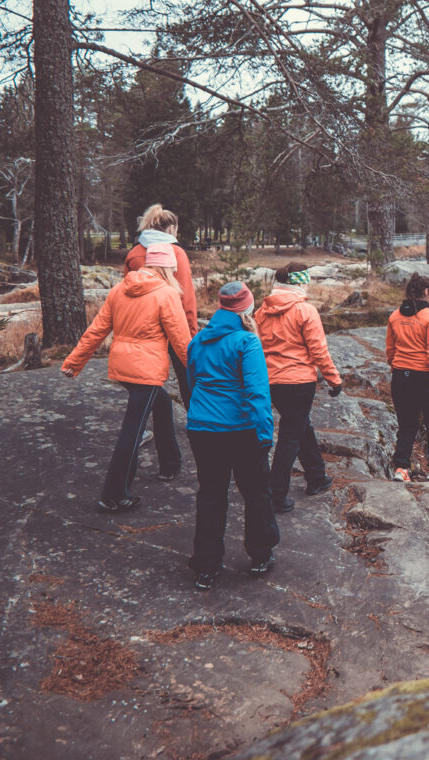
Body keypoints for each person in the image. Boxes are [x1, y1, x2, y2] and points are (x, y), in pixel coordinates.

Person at [62, 243, 192, 512]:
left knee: (163, 403)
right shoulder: (166, 294)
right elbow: (182, 343)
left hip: (123, 368)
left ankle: (170, 463)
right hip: (145, 372)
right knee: (132, 432)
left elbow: (96, 330)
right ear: (168, 267)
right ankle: (114, 494)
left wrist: (74, 362)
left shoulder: (119, 289)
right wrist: (203, 372)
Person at [184, 282, 279, 590]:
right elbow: (257, 393)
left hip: (203, 429)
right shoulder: (247, 342)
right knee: (256, 492)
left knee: (211, 495)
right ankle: (260, 553)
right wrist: (265, 433)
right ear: (247, 310)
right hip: (240, 430)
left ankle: (206, 565)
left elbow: (191, 382)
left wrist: (201, 414)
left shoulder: (197, 341)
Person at [256, 263, 343, 512]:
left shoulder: (262, 311)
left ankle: (317, 477)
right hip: (299, 382)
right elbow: (318, 351)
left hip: (272, 381)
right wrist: (333, 379)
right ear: (300, 282)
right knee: (290, 437)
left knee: (301, 427)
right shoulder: (305, 310)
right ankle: (276, 494)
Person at [123, 204, 198, 405]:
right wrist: (191, 334)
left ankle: (145, 423)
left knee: (147, 380)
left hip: (143, 327)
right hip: (174, 323)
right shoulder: (176, 253)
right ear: (172, 228)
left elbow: (128, 290)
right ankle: (196, 424)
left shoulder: (134, 253)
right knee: (187, 378)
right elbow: (185, 297)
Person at [385, 274, 429, 482]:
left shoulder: (395, 316)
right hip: (425, 377)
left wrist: (396, 368)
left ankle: (401, 468)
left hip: (400, 376)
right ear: (426, 293)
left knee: (406, 423)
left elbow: (390, 349)